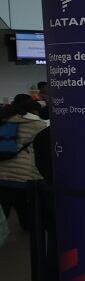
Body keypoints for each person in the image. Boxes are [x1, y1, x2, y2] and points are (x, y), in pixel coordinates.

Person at [0, 95, 49, 233]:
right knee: (27, 210)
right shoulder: (37, 125)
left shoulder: (4, 122)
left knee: (4, 208)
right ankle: (31, 234)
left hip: (2, 174)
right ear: (33, 111)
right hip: (25, 175)